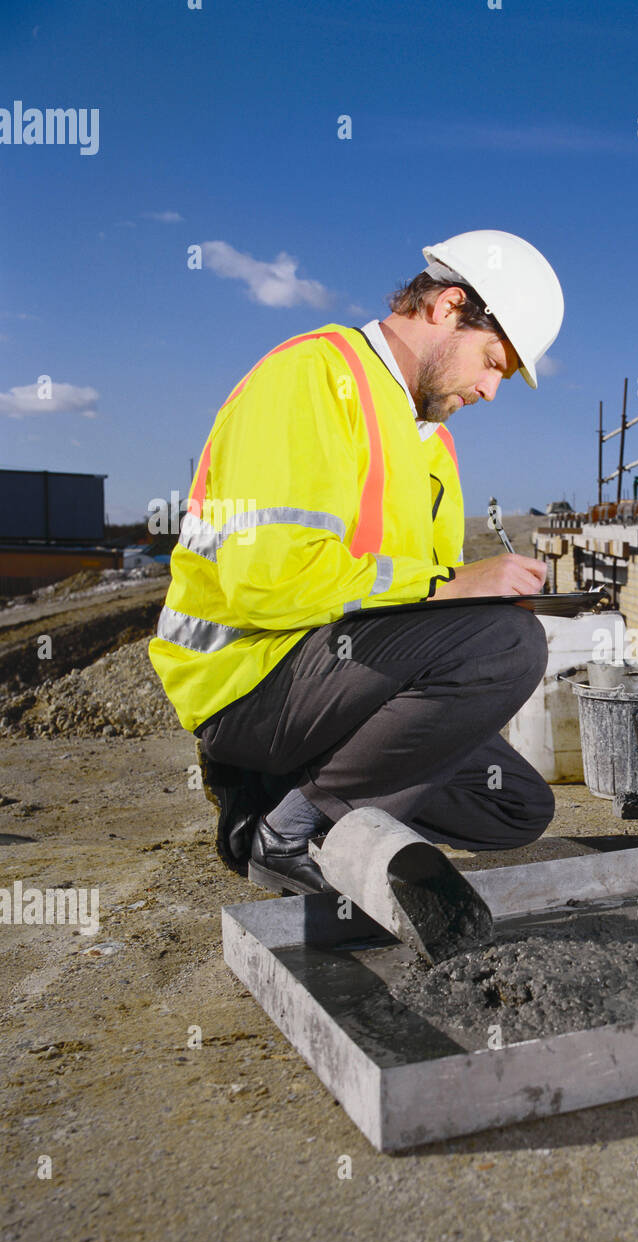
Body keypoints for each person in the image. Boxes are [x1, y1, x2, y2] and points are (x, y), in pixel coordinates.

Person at [149, 230, 564, 893]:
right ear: (447, 306)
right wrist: (453, 587)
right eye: (492, 361)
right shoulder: (312, 378)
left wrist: (474, 599)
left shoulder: (432, 444)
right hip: (249, 681)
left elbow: (412, 609)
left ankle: (294, 791)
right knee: (509, 649)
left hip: (338, 680)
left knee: (514, 806)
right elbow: (268, 581)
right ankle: (285, 832)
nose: (491, 390)